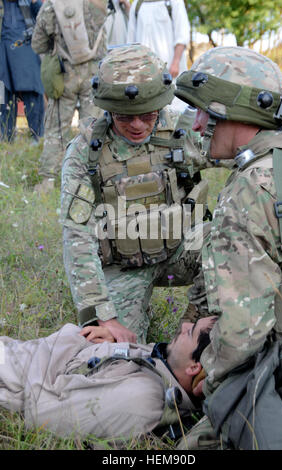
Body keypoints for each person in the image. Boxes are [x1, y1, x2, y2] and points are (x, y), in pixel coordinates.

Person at [173, 46, 282, 450]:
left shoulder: (248, 190)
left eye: (205, 112)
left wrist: (204, 375)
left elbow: (242, 334)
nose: (197, 126)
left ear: (236, 111)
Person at [60, 43, 220, 345]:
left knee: (231, 241)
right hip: (123, 266)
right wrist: (105, 315)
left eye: (147, 115)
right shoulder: (85, 153)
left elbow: (243, 153)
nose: (137, 125)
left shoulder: (180, 130)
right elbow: (76, 235)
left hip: (180, 249)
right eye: (124, 117)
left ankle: (193, 333)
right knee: (114, 350)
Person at [0, 316, 216, 441]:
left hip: (11, 374)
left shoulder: (142, 399)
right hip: (19, 354)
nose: (185, 325)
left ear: (194, 367)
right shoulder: (163, 364)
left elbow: (42, 415)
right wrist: (112, 346)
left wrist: (75, 345)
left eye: (191, 332)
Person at [31, 0, 107, 194]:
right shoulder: (97, 2)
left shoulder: (50, 5)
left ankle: (48, 181)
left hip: (64, 74)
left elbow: (38, 45)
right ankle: (91, 179)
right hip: (94, 74)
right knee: (92, 127)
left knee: (57, 127)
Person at [126, 0, 190, 113]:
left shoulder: (174, 2)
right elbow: (131, 43)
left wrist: (176, 62)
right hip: (144, 75)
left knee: (174, 111)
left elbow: (182, 34)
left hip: (170, 72)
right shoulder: (137, 4)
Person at [0, 0, 44, 143]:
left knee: (33, 94)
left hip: (26, 50)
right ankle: (4, 143)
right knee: (2, 98)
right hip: (3, 53)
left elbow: (44, 18)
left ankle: (37, 140)